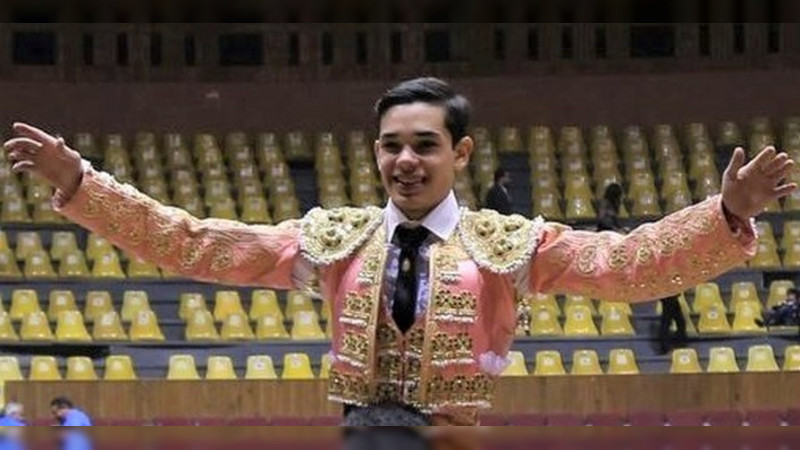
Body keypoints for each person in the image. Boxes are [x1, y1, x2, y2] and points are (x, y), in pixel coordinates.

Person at [3, 77, 795, 434]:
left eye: (424, 145)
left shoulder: (509, 245)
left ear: (461, 153)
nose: (405, 160)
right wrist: (81, 185)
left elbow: (627, 266)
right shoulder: (333, 240)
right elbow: (194, 245)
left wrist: (727, 213)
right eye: (391, 145)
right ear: (375, 152)